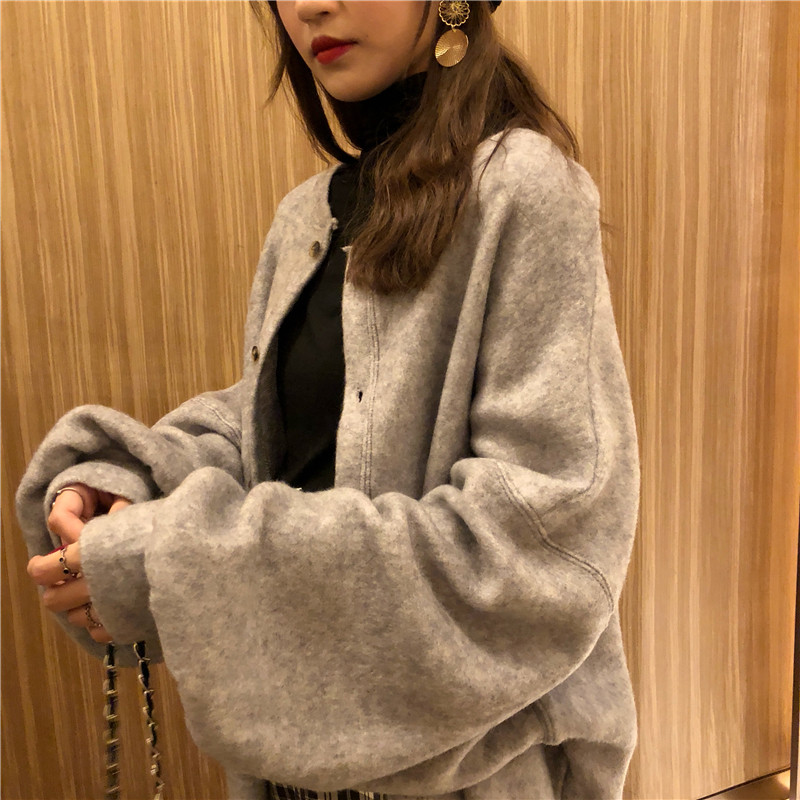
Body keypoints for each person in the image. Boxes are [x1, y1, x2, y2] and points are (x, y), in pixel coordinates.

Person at [18, 2, 640, 799]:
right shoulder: (307, 216)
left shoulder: (525, 188)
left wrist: (181, 558)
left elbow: (543, 545)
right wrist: (135, 479)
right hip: (295, 769)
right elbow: (278, 432)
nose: (309, 5)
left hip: (471, 770)